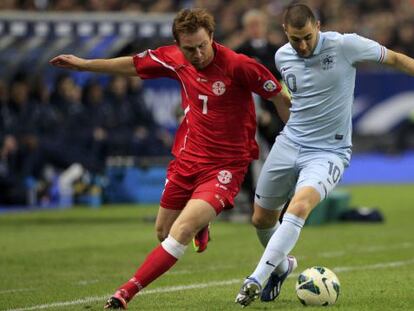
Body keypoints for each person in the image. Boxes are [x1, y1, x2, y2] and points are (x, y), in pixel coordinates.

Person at [49, 8, 291, 310]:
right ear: (179, 45)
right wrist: (84, 65)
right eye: (190, 48)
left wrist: (293, 138)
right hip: (188, 159)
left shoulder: (239, 65)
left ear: (212, 37)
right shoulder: (174, 58)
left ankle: (126, 292)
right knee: (163, 232)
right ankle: (204, 225)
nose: (198, 54)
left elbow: (279, 95)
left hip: (226, 166)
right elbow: (132, 65)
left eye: (203, 45)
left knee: (180, 232)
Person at [235, 3, 414, 307]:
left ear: (317, 26)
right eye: (295, 39)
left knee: (299, 206)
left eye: (307, 37)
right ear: (285, 33)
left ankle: (256, 278)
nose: (302, 45)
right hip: (289, 142)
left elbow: (395, 58)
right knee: (261, 219)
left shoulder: (346, 45)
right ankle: (282, 268)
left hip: (329, 151)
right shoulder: (282, 56)